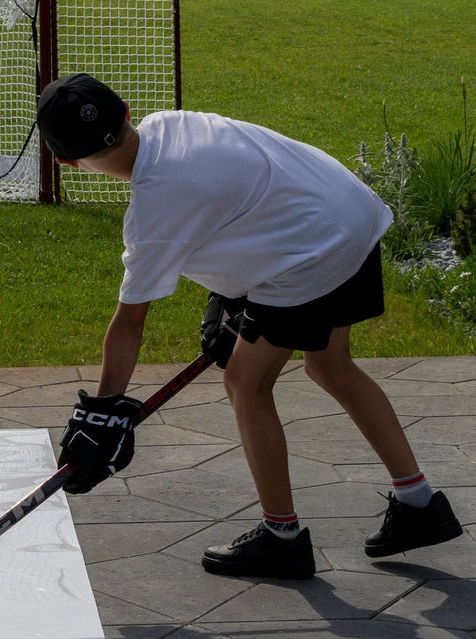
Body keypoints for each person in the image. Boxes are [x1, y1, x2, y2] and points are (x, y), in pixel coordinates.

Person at [36, 72, 464, 579]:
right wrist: (230, 298)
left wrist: (104, 413)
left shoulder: (152, 213)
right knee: (331, 367)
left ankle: (281, 537)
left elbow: (129, 325)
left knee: (246, 382)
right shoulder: (173, 125)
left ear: (67, 163)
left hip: (311, 253)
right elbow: (243, 195)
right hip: (350, 214)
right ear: (127, 111)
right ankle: (419, 504)